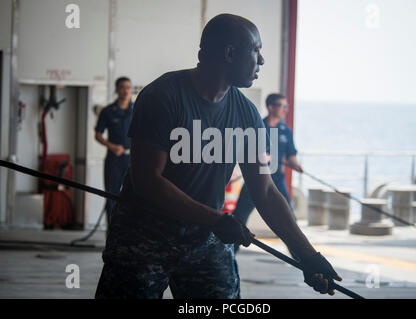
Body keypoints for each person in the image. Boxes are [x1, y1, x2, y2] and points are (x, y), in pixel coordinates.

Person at [95, 14, 341, 299]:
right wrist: (215, 219)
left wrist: (307, 257)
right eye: (256, 50)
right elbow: (148, 181)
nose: (261, 60)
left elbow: (266, 192)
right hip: (145, 236)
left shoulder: (246, 114)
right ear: (229, 53)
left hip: (205, 238)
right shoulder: (163, 97)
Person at [233, 93, 303, 254]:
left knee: (289, 218)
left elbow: (291, 156)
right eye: (282, 106)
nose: (285, 110)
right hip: (256, 178)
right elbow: (244, 150)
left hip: (277, 179)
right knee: (240, 216)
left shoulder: (286, 131)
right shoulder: (258, 126)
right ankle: (230, 252)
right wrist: (260, 156)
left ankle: (300, 257)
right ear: (271, 107)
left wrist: (296, 165)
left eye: (287, 106)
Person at [94, 77, 134, 226]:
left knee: (134, 198)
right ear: (117, 90)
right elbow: (98, 135)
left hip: (133, 160)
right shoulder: (108, 111)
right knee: (112, 197)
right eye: (122, 87)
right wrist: (112, 147)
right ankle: (111, 234)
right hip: (114, 160)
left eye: (128, 87)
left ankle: (129, 234)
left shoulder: (136, 110)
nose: (126, 91)